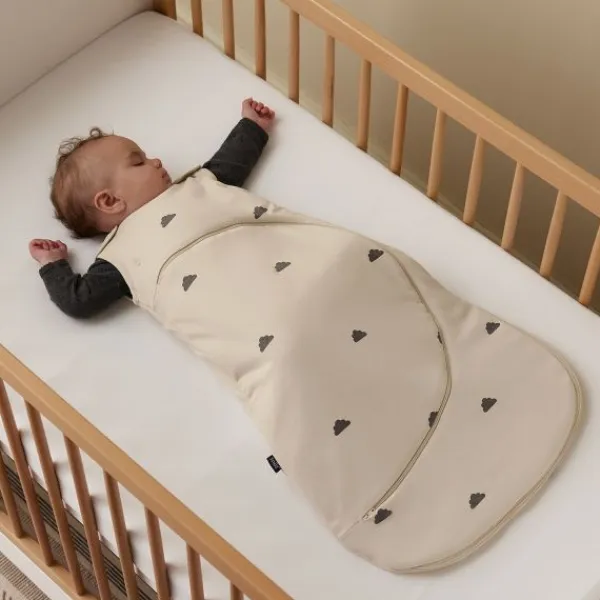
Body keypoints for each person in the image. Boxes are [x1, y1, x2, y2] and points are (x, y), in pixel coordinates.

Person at [29, 98, 275, 318]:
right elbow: (81, 300)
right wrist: (53, 264)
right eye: (138, 162)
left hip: (267, 262)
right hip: (234, 308)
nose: (156, 161)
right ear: (110, 201)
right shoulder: (122, 256)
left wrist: (252, 126)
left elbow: (229, 164)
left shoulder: (191, 190)